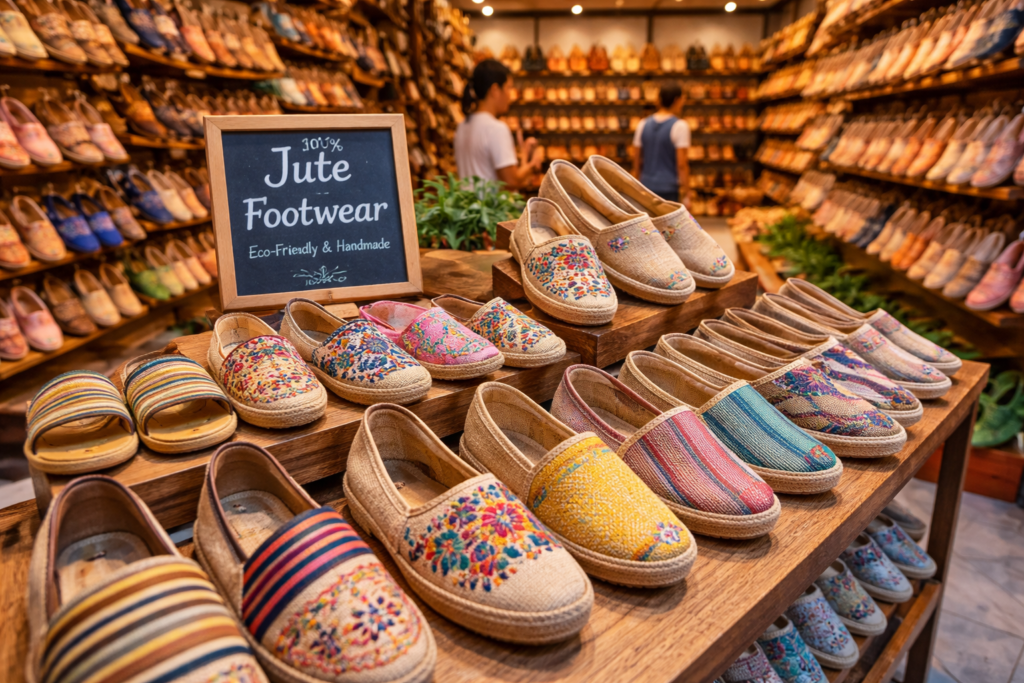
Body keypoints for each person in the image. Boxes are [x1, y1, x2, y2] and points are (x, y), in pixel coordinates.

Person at [455, 59, 543, 189]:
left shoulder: (462, 126)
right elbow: (512, 182)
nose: (510, 95)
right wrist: (533, 164)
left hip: (467, 207)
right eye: (508, 88)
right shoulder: (496, 129)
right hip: (491, 208)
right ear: (495, 90)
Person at [631, 82, 691, 206]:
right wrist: (687, 193)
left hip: (646, 186)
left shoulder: (642, 124)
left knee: (648, 224)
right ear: (676, 100)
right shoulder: (680, 126)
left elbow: (636, 160)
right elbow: (681, 164)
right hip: (668, 188)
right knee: (668, 225)